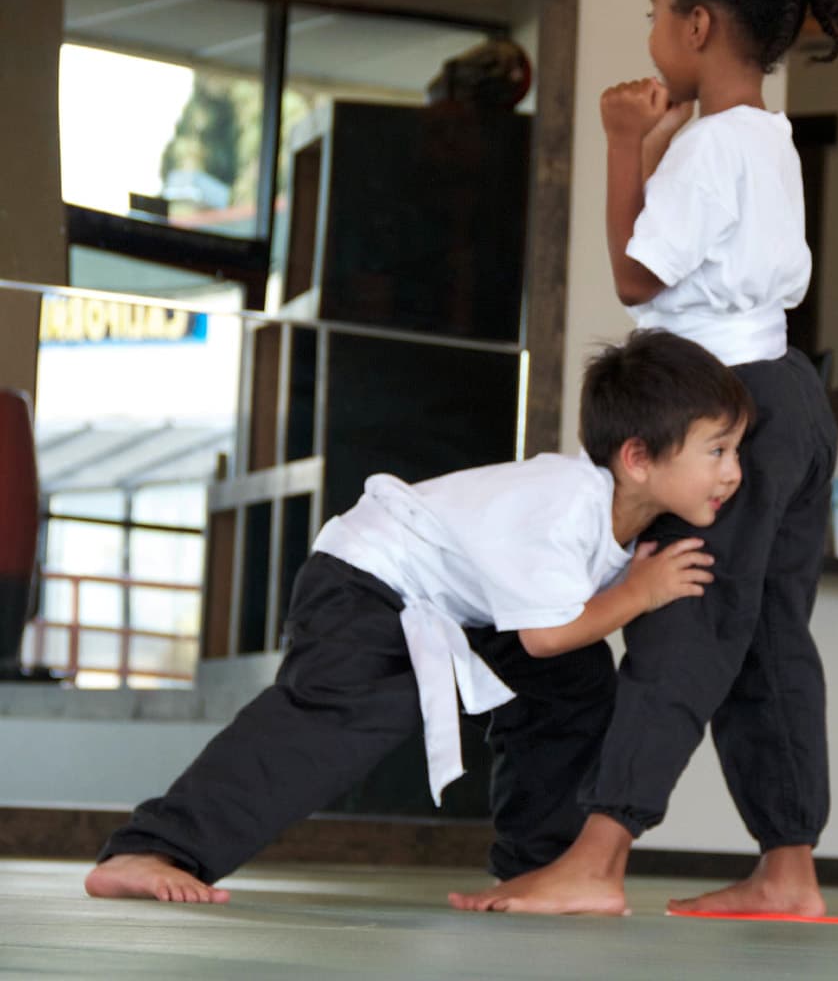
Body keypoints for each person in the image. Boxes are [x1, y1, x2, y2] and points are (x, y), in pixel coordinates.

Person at [450, 0, 838, 919]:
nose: (650, 34)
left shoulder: (712, 147)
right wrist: (659, 143)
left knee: (678, 624)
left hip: (716, 418)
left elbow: (636, 276)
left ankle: (598, 856)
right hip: (787, 397)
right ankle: (788, 869)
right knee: (766, 639)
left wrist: (624, 141)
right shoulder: (765, 138)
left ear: (701, 27)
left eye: (654, 12)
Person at [83, 329, 745, 904]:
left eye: (736, 451)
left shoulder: (629, 512)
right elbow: (543, 635)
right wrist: (640, 592)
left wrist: (632, 586)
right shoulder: (566, 504)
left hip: (453, 608)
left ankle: (538, 868)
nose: (734, 472)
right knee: (350, 712)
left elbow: (552, 637)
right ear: (637, 458)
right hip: (369, 580)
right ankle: (150, 848)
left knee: (576, 686)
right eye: (716, 451)